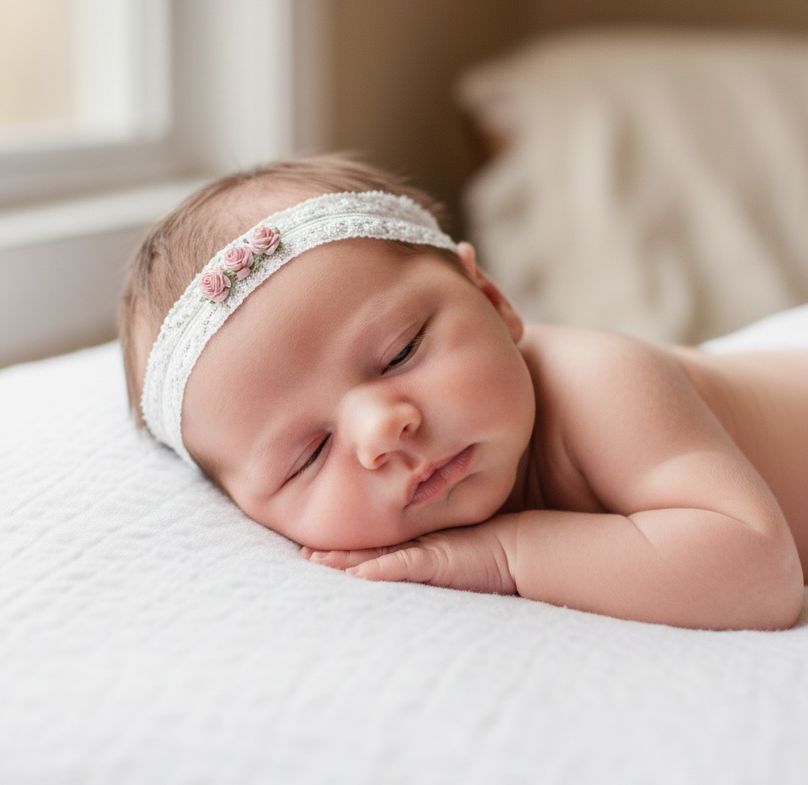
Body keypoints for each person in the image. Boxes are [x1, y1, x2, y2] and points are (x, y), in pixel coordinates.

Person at [120, 155, 808, 631]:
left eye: (400, 352)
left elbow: (758, 572)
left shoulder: (602, 382)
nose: (382, 430)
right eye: (307, 455)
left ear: (491, 297)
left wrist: (506, 557)